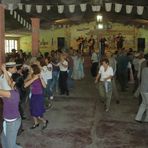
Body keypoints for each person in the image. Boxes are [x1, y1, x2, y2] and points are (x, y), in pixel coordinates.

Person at [0, 64, 22, 148]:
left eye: (11, 79)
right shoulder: (15, 89)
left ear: (14, 82)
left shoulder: (10, 93)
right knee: (3, 140)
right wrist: (4, 70)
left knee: (11, 146)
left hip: (12, 123)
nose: (9, 80)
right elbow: (9, 80)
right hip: (9, 120)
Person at [24, 64, 48, 130]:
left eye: (31, 69)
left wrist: (41, 78)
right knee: (32, 110)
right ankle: (36, 123)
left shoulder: (38, 76)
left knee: (37, 111)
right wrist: (30, 81)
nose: (30, 70)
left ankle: (45, 121)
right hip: (33, 95)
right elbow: (24, 83)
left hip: (39, 96)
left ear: (34, 69)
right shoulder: (30, 75)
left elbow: (45, 86)